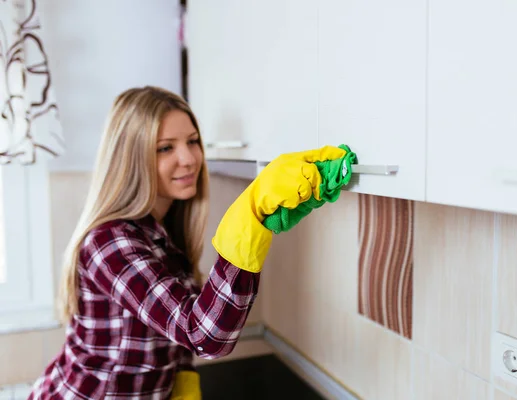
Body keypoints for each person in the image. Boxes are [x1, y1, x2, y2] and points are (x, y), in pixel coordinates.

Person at [28, 86, 347, 399]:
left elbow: (174, 326)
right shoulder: (111, 243)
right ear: (131, 159)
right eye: (165, 148)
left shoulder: (160, 234)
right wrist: (248, 222)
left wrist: (184, 379)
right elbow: (205, 336)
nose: (189, 158)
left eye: (192, 141)